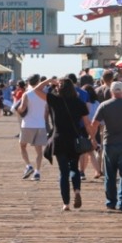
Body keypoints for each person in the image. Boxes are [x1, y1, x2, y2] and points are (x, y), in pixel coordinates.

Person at [43, 78, 92, 211]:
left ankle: (66, 204)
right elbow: (87, 123)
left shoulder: (54, 100)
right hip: (74, 140)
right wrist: (92, 138)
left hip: (59, 139)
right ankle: (77, 191)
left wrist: (49, 81)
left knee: (63, 172)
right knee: (74, 168)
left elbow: (36, 90)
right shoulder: (79, 102)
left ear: (59, 88)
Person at [90, 81, 122, 212]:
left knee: (110, 175)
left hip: (109, 143)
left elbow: (94, 124)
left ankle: (111, 202)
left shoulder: (104, 105)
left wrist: (92, 139)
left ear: (111, 92)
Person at [17, 74, 48, 182]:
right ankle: (37, 172)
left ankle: (28, 165)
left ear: (28, 83)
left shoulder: (27, 94)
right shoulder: (44, 95)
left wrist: (18, 109)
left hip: (28, 124)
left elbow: (23, 108)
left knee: (22, 146)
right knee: (39, 151)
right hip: (40, 124)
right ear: (39, 82)